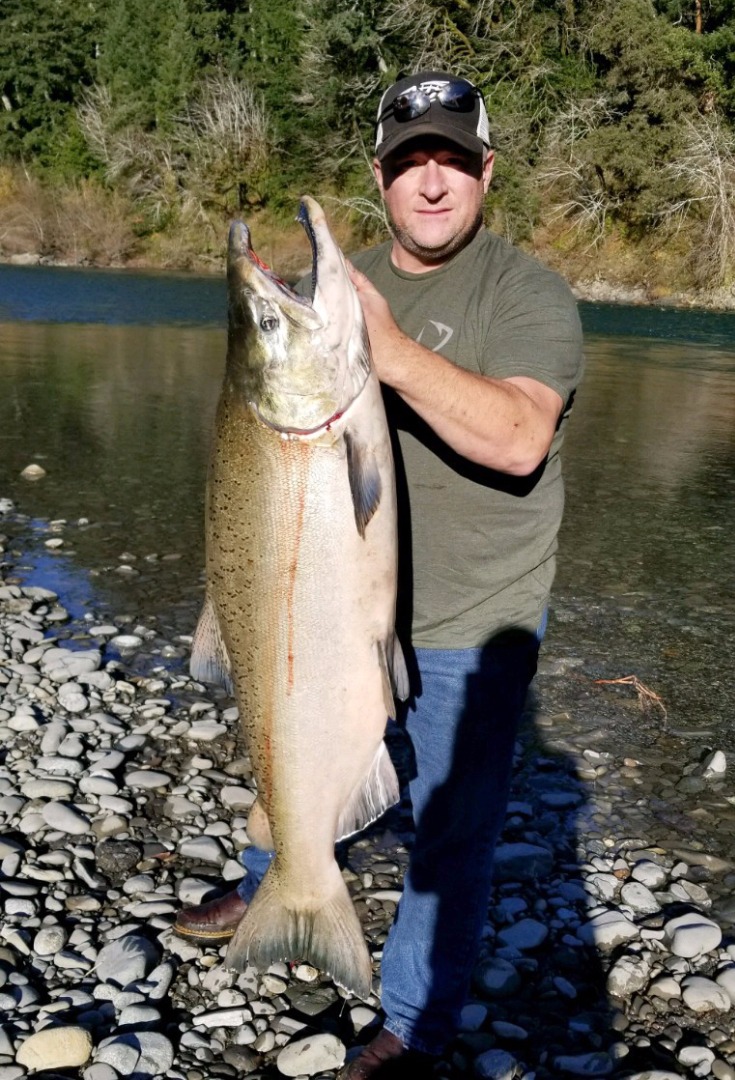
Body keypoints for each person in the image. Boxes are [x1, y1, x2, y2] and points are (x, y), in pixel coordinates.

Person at [175, 70, 584, 1078]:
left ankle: (410, 1023)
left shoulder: (527, 293)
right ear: (381, 177)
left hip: (470, 621)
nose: (432, 181)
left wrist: (385, 350)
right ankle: (279, 880)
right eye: (411, 162)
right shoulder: (337, 286)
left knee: (451, 836)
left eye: (451, 158)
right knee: (281, 730)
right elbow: (247, 453)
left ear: (488, 171)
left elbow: (523, 438)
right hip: (329, 599)